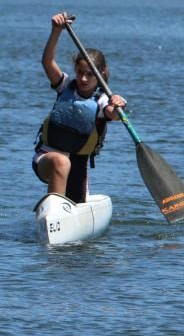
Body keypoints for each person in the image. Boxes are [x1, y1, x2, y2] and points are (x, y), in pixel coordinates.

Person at [33, 12, 126, 203]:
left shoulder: (102, 101)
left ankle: (65, 210)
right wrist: (56, 31)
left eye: (90, 75)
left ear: (101, 74)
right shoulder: (65, 85)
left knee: (73, 185)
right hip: (46, 157)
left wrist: (118, 104)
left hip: (78, 168)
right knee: (61, 161)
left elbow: (114, 115)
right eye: (80, 72)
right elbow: (47, 62)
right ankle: (54, 213)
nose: (83, 79)